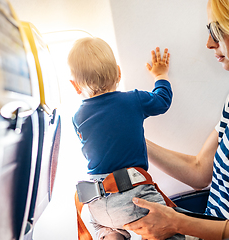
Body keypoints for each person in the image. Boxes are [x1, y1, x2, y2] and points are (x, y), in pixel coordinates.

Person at [123, 0, 229, 239]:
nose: (209, 43)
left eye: (216, 31)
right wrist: (134, 140)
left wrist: (178, 223)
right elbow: (200, 171)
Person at [68, 37, 174, 240]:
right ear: (118, 72)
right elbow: (163, 101)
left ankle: (112, 235)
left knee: (109, 229)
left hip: (96, 202)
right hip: (132, 194)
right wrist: (160, 75)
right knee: (167, 224)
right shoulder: (133, 100)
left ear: (75, 85)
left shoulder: (77, 117)